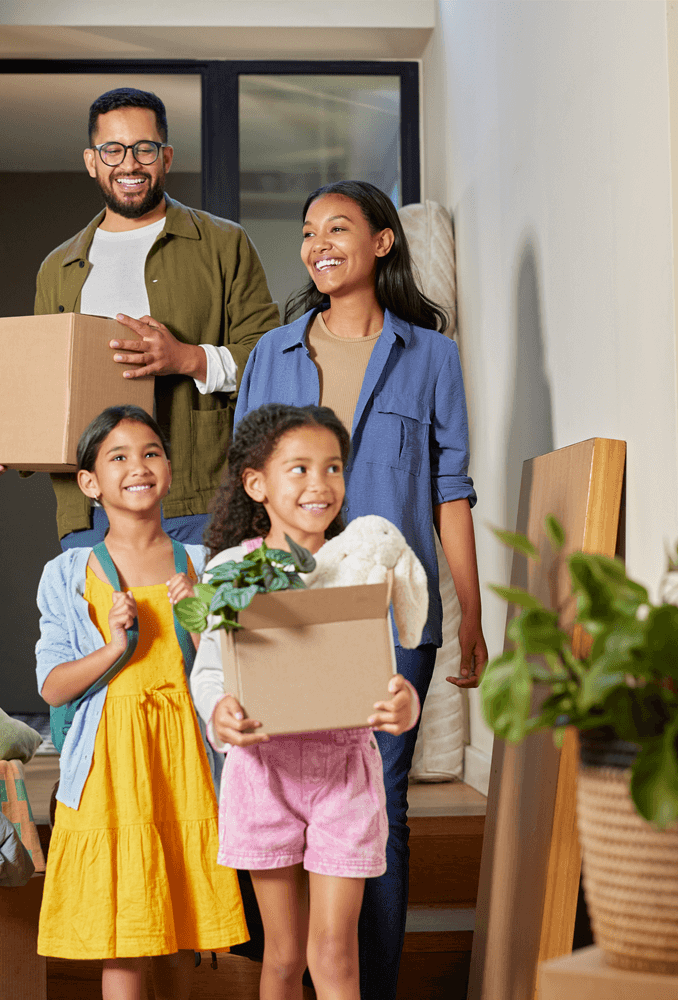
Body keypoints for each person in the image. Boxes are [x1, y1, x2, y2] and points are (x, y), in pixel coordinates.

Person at [231, 180, 489, 1000]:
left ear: (381, 242)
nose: (318, 244)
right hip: (284, 606)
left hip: (388, 610)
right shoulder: (271, 354)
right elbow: (246, 491)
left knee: (377, 803)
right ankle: (291, 975)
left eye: (337, 228)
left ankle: (363, 986)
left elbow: (451, 490)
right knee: (276, 795)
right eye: (308, 231)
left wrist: (470, 612)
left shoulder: (431, 356)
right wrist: (236, 607)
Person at [0, 87, 280, 549]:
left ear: (166, 157)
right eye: (113, 150)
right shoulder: (58, 268)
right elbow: (43, 391)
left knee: (203, 602)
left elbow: (270, 362)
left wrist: (187, 358)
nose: (129, 164)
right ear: (92, 161)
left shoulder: (224, 244)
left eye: (144, 149)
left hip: (198, 504)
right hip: (90, 513)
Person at [189, 403, 420, 1000]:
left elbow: (382, 672)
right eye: (299, 468)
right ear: (256, 484)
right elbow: (210, 670)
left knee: (334, 953)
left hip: (344, 773)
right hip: (262, 773)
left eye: (333, 467)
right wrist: (219, 712)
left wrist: (405, 703)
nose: (320, 484)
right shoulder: (230, 570)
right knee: (285, 955)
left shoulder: (359, 566)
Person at [34, 404, 247, 1000]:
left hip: (186, 762)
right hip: (110, 766)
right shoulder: (67, 573)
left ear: (170, 470)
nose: (138, 466)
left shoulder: (205, 564)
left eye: (151, 453)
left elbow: (236, 675)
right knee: (125, 931)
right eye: (118, 457)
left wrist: (199, 616)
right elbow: (52, 686)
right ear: (89, 483)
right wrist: (113, 646)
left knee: (184, 926)